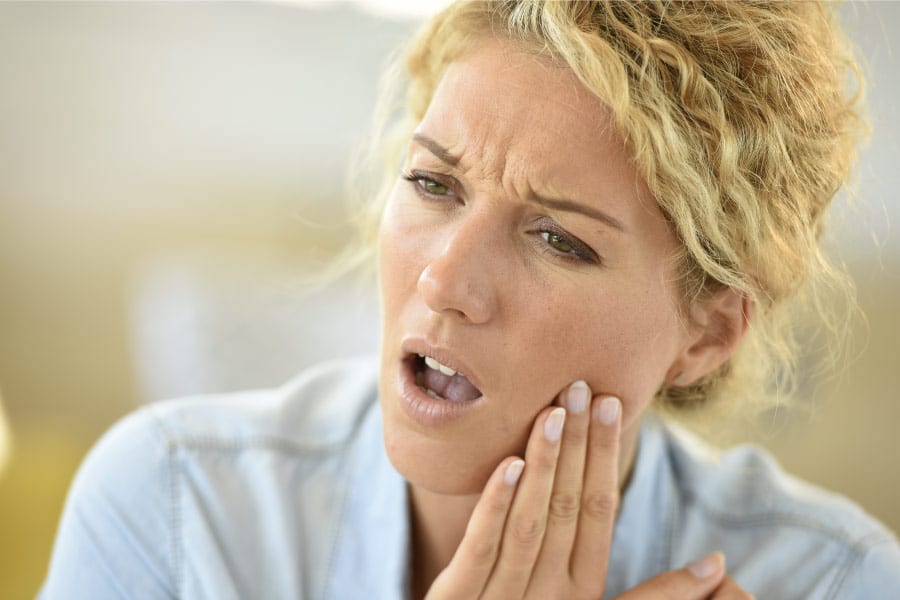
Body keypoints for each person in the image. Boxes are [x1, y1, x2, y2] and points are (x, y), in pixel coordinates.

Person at [41, 1, 900, 598]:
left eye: (559, 238)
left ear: (707, 334)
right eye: (432, 183)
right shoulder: (173, 507)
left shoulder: (832, 582)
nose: (444, 281)